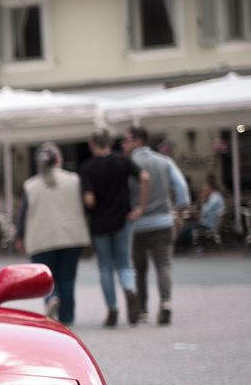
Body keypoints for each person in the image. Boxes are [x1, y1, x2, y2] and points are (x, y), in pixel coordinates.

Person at [15, 142, 92, 326]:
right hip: (71, 237)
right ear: (59, 159)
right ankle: (67, 318)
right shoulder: (74, 180)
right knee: (67, 278)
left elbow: (23, 213)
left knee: (47, 279)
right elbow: (84, 206)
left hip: (40, 239)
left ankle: (51, 298)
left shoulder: (30, 185)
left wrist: (20, 237)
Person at [124, 125, 189, 325]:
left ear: (138, 141)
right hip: (162, 222)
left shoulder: (128, 165)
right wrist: (177, 213)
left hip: (137, 226)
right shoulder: (165, 161)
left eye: (127, 140)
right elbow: (183, 192)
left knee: (139, 269)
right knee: (163, 265)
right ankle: (166, 302)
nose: (124, 144)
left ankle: (143, 310)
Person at [78, 131, 140, 328]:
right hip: (123, 219)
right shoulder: (123, 161)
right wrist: (142, 206)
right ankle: (129, 288)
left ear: (92, 143)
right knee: (124, 263)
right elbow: (144, 177)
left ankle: (112, 310)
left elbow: (89, 200)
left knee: (105, 267)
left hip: (100, 224)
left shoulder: (87, 168)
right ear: (111, 143)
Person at [180, 178, 226, 248]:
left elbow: (204, 213)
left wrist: (203, 202)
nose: (203, 189)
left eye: (205, 187)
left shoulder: (214, 199)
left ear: (209, 188)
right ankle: (193, 245)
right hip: (209, 221)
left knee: (185, 229)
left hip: (209, 224)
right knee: (187, 226)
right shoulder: (216, 196)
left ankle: (197, 246)